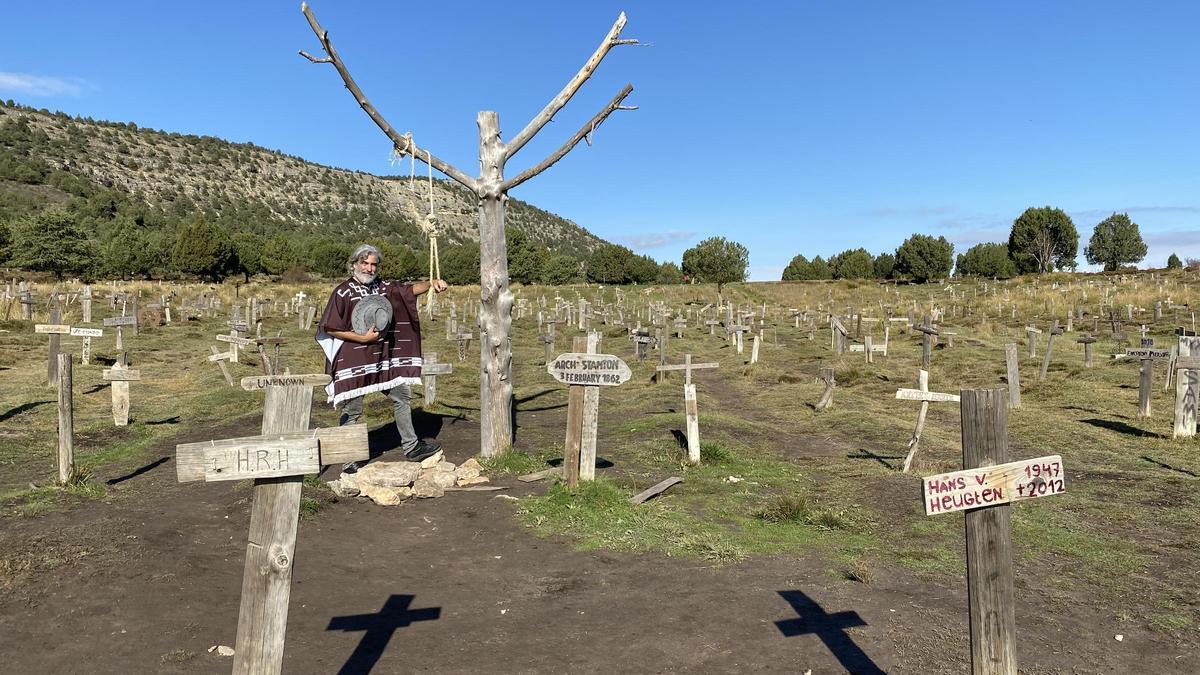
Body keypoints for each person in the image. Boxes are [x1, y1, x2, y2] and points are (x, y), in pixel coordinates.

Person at [315, 244, 449, 472]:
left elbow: (407, 291)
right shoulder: (342, 292)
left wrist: (430, 284)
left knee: (402, 395)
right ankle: (349, 460)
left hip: (383, 357)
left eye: (373, 264)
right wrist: (362, 339)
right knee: (353, 407)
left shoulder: (384, 287)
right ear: (354, 264)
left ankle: (411, 446)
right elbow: (331, 327)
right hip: (354, 357)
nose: (368, 268)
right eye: (364, 263)